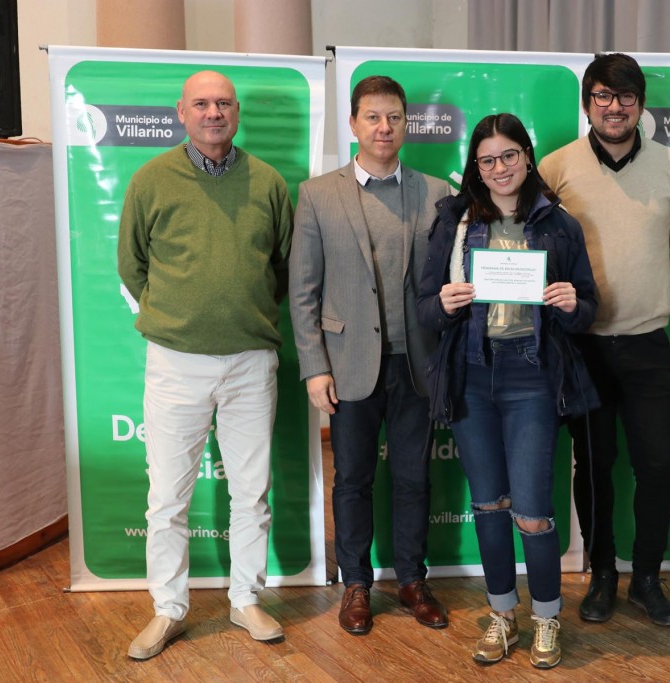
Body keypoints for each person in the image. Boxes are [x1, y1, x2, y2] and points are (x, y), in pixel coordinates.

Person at [117, 71, 294, 660]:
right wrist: (181, 316)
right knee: (167, 498)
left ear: (236, 112)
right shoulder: (151, 179)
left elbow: (283, 268)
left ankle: (245, 598)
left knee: (252, 493)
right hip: (176, 362)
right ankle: (168, 608)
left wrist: (240, 315)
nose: (213, 112)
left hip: (251, 361)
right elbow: (131, 265)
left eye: (222, 103)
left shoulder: (268, 183)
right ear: (181, 112)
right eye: (201, 103)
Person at [418, 113, 599, 669]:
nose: (499, 168)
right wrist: (443, 305)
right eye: (487, 160)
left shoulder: (559, 224)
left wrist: (571, 304)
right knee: (488, 506)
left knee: (533, 512)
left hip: (532, 377)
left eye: (509, 156)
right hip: (472, 376)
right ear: (476, 167)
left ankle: (546, 618)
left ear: (527, 155)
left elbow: (588, 309)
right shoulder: (453, 222)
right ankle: (502, 615)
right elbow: (424, 308)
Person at [538, 53, 670, 625]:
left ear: (640, 104)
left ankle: (647, 579)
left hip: (647, 343)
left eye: (626, 96)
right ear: (588, 104)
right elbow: (536, 247)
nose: (615, 106)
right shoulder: (556, 167)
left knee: (658, 466)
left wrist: (645, 292)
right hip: (581, 347)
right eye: (603, 96)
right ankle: (602, 574)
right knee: (594, 464)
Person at [289, 76, 450, 636]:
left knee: (413, 479)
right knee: (352, 480)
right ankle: (356, 583)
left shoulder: (435, 192)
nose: (385, 128)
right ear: (354, 123)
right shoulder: (317, 194)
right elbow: (303, 291)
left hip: (417, 365)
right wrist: (315, 367)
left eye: (395, 117)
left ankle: (412, 580)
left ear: (406, 124)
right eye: (374, 117)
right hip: (347, 364)